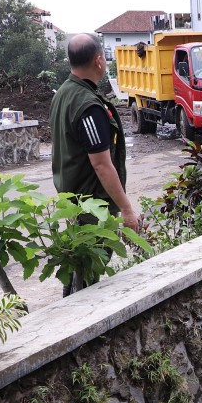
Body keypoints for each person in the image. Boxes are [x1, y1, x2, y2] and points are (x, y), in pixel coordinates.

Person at [49, 33, 140, 294]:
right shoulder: (87, 105)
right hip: (91, 206)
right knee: (87, 278)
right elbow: (101, 164)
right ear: (99, 61)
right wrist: (127, 210)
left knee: (77, 276)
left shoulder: (63, 94)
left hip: (72, 199)